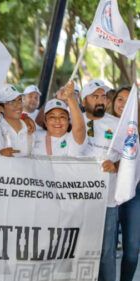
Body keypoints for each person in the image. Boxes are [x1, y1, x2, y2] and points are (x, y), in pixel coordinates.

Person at [79, 79, 121, 281]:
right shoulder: (71, 120)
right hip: (77, 201)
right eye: (95, 96)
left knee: (106, 253)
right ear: (83, 99)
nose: (100, 101)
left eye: (103, 96)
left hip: (108, 201)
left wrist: (116, 166)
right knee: (79, 250)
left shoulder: (116, 124)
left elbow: (130, 157)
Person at [109, 86, 140, 281]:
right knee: (106, 250)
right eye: (120, 99)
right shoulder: (100, 124)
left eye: (130, 100)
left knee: (131, 249)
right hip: (105, 193)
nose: (123, 104)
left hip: (134, 194)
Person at [31, 82, 86, 157]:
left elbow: (79, 129)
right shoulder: (34, 136)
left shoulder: (72, 139)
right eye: (52, 117)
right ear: (45, 122)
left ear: (68, 120)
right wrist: (57, 98)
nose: (57, 120)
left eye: (62, 117)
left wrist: (70, 97)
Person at [0, 84, 34, 156]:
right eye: (12, 102)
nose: (18, 105)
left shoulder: (30, 128)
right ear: (0, 107)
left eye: (19, 100)